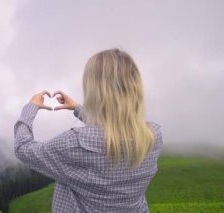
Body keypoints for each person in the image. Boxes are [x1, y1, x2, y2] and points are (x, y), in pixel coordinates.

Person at [13, 48, 162, 213]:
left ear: (94, 90)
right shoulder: (152, 136)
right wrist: (77, 109)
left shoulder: (74, 143)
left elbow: (23, 149)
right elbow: (111, 131)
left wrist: (30, 108)